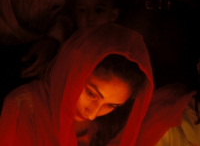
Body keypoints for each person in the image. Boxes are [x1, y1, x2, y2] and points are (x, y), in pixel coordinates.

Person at [0, 24, 199, 146]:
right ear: (72, 69)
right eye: (91, 93)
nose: (93, 113)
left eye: (111, 105)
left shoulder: (113, 123)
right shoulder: (23, 106)